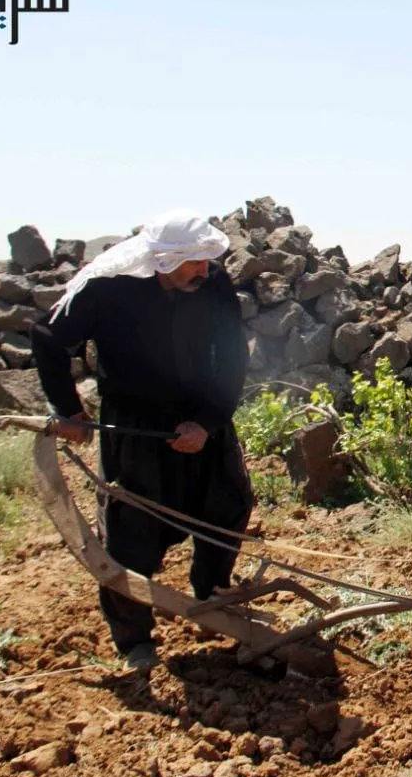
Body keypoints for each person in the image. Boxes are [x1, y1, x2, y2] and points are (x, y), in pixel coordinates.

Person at [29, 209, 254, 672]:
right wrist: (68, 410)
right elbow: (48, 338)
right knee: (132, 530)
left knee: (227, 505)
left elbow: (232, 354)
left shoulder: (210, 282)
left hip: (201, 417)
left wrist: (207, 423)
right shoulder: (108, 287)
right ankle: (135, 641)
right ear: (161, 260)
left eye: (204, 261)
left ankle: (212, 595)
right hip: (136, 427)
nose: (202, 270)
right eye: (190, 263)